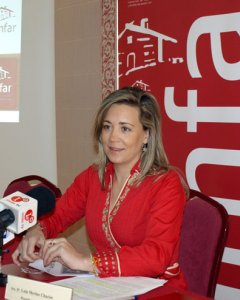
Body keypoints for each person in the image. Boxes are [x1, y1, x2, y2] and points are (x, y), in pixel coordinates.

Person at [12, 86, 188, 288]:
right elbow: (59, 214)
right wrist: (37, 231)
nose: (113, 138)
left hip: (158, 289)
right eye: (107, 127)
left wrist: (85, 262)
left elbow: (157, 256)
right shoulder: (94, 176)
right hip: (107, 287)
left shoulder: (166, 184)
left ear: (147, 135)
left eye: (125, 128)